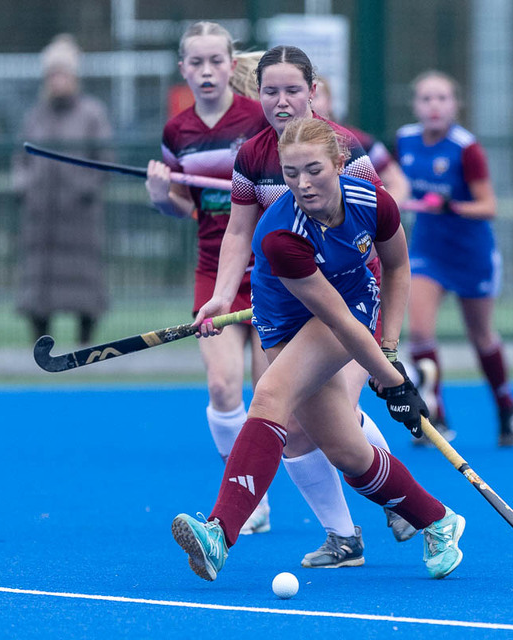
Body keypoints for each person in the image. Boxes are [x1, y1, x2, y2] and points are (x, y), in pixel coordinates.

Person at [145, 27, 413, 561]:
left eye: (292, 90)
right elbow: (237, 233)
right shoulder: (251, 155)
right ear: (258, 93)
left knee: (331, 414)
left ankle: (407, 506)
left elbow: (380, 240)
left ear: (313, 91)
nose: (281, 101)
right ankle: (347, 536)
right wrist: (222, 295)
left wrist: (387, 343)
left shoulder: (341, 149)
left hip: (350, 302)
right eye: (271, 91)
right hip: (293, 304)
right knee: (302, 425)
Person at [172, 117, 466, 583]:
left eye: (314, 170)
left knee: (270, 397)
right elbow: (331, 319)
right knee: (348, 451)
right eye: (291, 174)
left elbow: (394, 269)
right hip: (284, 324)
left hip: (351, 304)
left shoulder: (375, 203)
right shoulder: (281, 235)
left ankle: (218, 533)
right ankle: (438, 519)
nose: (303, 184)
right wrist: (394, 382)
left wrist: (390, 359)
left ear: (340, 163)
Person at [144, 23, 271, 536]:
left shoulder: (259, 117)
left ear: (231, 64)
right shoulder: (177, 132)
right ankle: (248, 499)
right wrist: (161, 196)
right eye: (196, 63)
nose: (206, 71)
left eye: (216, 61)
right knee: (221, 386)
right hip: (215, 270)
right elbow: (184, 206)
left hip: (274, 271)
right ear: (183, 69)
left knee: (273, 396)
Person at [395, 70, 513, 447]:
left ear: (455, 104)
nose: (434, 106)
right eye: (426, 98)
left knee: (481, 336)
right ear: (415, 105)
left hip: (471, 255)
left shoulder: (466, 149)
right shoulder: (404, 140)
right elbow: (392, 183)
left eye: (442, 98)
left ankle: (506, 407)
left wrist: (450, 205)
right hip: (428, 252)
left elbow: (489, 206)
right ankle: (434, 416)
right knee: (420, 332)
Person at [13, 34, 113, 345]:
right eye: (53, 74)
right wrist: (24, 186)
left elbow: (105, 158)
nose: (58, 80)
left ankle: (85, 343)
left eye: (63, 73)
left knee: (85, 285)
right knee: (39, 289)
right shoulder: (35, 115)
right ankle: (40, 344)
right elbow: (20, 158)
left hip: (79, 218)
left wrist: (85, 187)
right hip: (41, 220)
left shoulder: (92, 113)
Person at [311, 75, 410, 206]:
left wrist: (379, 214)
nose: (309, 102)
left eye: (315, 96)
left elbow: (398, 184)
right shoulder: (285, 144)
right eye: (303, 97)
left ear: (329, 102)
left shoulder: (356, 141)